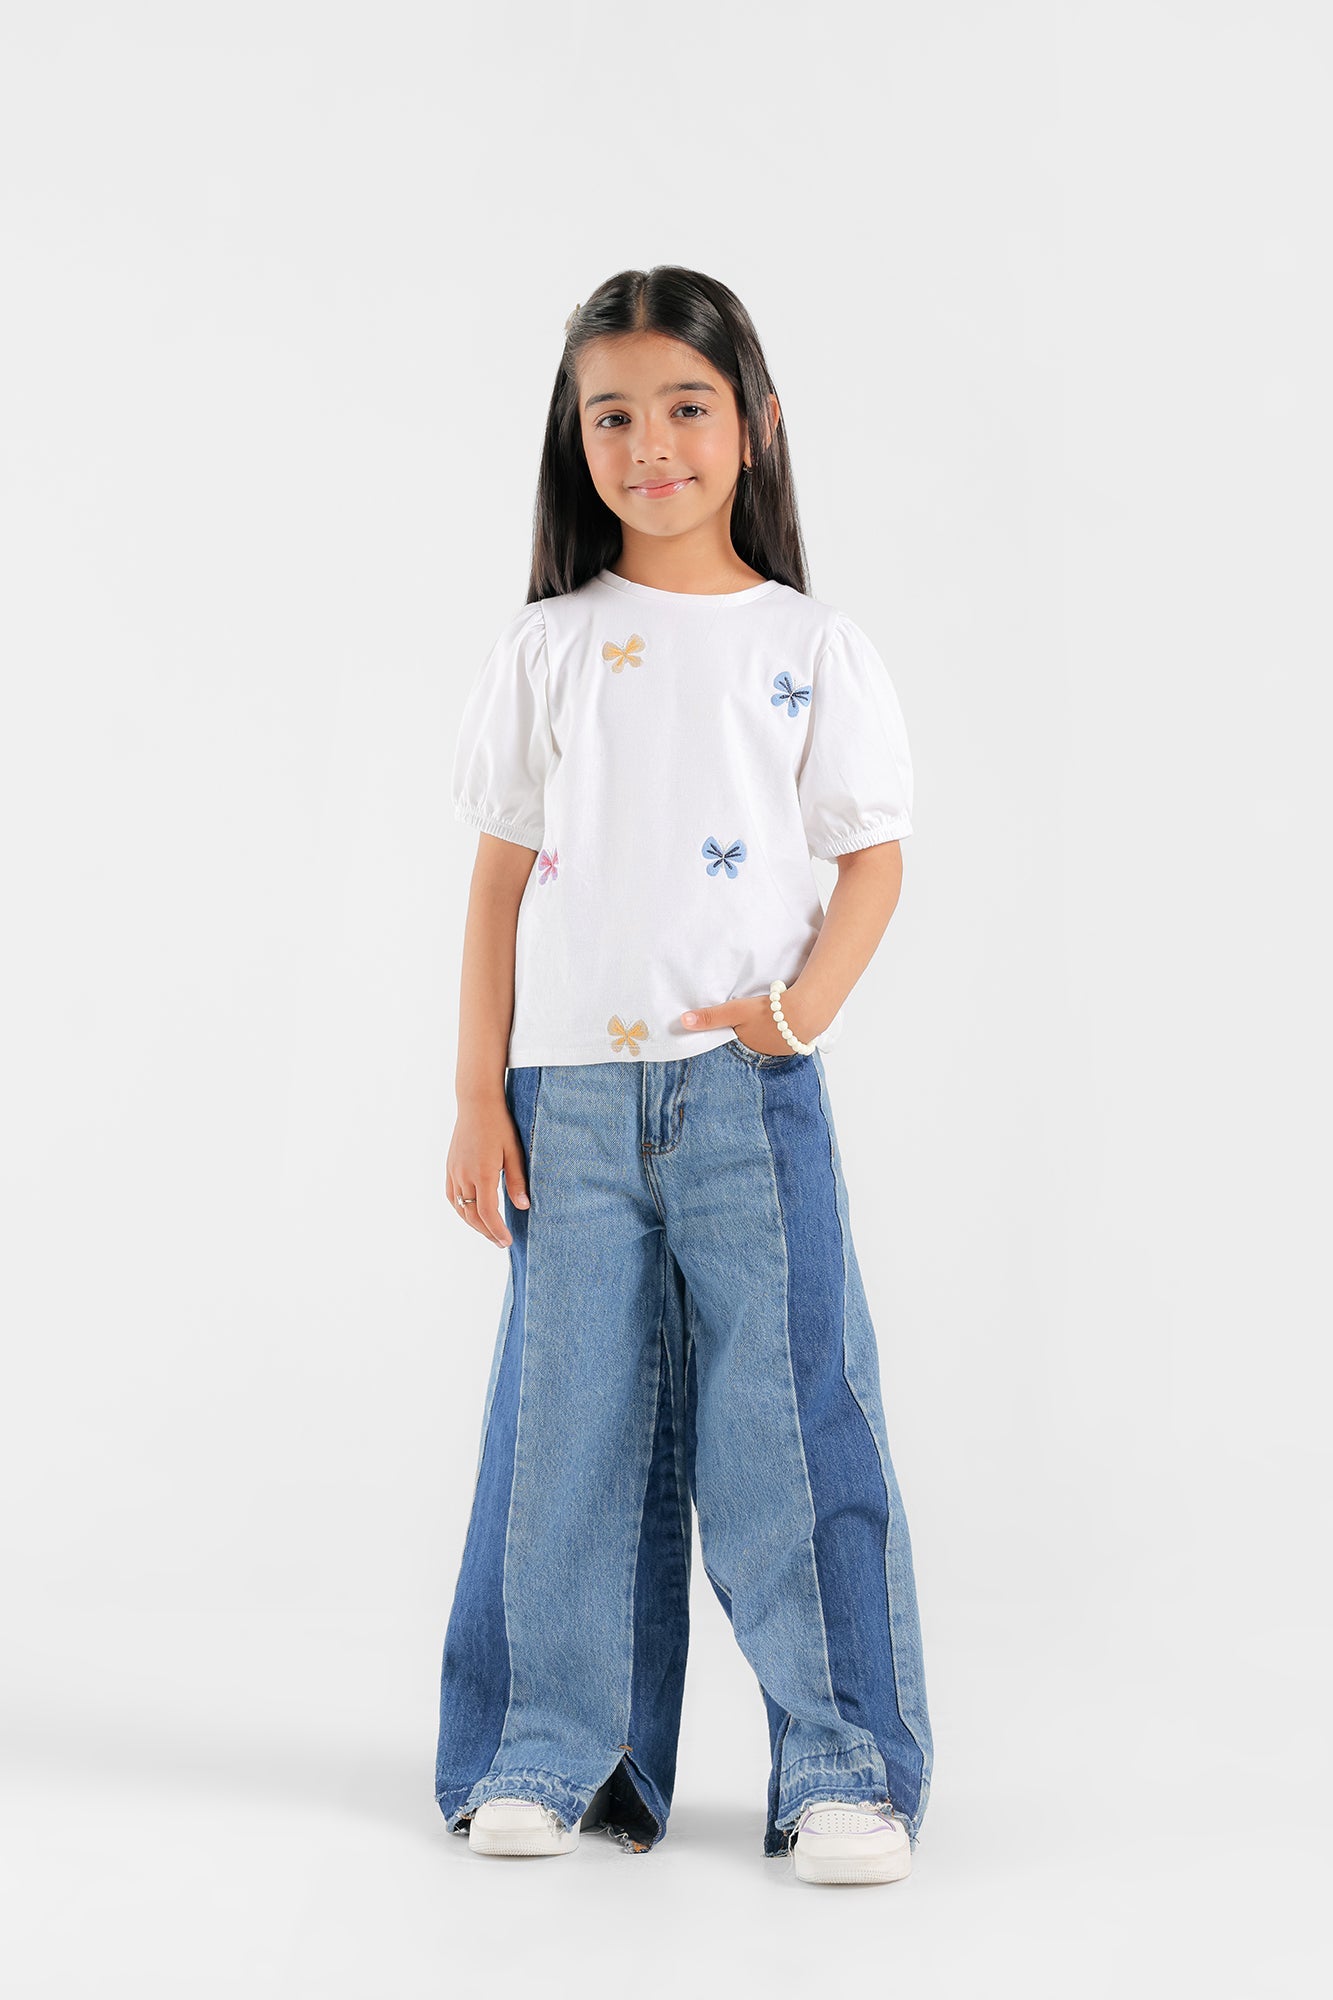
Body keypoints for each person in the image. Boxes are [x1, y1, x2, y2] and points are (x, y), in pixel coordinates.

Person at [433, 265, 933, 1887]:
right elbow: (496, 883)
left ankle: (843, 1765)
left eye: (685, 407)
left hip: (743, 1100)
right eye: (613, 416)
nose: (649, 445)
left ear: (756, 424)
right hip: (566, 1108)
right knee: (563, 1429)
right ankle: (549, 1749)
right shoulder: (548, 646)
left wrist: (795, 1015)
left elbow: (870, 858)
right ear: (572, 440)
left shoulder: (809, 644)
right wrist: (476, 1093)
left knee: (785, 1428)